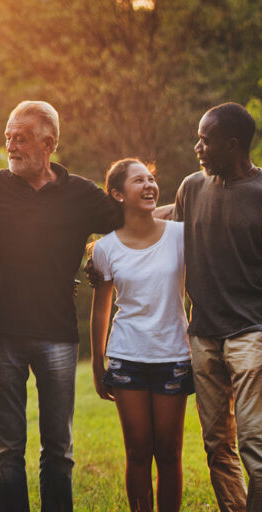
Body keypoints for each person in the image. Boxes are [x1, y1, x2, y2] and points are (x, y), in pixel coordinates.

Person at [0, 101, 123, 511]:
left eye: (20, 138)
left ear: (48, 143)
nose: (11, 145)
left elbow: (132, 221)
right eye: (8, 137)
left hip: (58, 335)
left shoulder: (81, 194)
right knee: (8, 449)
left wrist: (186, 212)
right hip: (1, 333)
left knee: (59, 448)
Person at [89, 158, 193, 512]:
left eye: (151, 178)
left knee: (168, 452)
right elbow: (101, 308)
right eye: (139, 181)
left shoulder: (180, 235)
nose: (149, 185)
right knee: (136, 451)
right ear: (118, 194)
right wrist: (96, 363)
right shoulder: (105, 249)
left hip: (173, 356)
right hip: (127, 357)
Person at [174, 102, 262, 512]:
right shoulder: (192, 187)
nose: (197, 147)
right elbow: (166, 231)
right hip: (203, 336)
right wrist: (104, 247)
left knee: (255, 445)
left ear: (232, 145)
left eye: (205, 141)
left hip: (252, 335)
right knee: (216, 446)